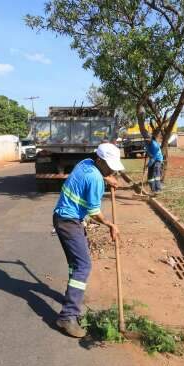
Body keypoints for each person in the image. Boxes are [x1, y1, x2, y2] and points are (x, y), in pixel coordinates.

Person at [53, 143, 124, 338]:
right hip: (70, 222)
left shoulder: (85, 162)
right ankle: (67, 316)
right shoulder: (94, 178)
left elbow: (97, 175)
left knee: (75, 264)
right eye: (109, 166)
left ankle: (72, 298)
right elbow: (94, 212)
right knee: (83, 266)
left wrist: (107, 177)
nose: (111, 169)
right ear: (100, 160)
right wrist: (111, 225)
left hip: (62, 218)